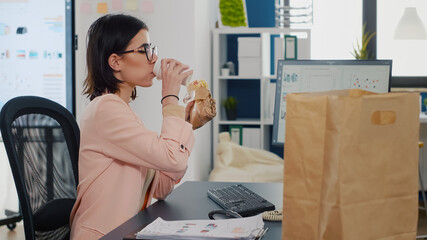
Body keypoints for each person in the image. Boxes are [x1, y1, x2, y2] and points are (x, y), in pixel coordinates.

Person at [69, 14, 195, 239]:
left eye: (152, 48)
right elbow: (173, 158)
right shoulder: (106, 110)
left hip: (127, 231)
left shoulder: (123, 113)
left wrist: (185, 121)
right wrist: (169, 97)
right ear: (115, 62)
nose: (154, 58)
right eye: (145, 49)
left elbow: (162, 187)